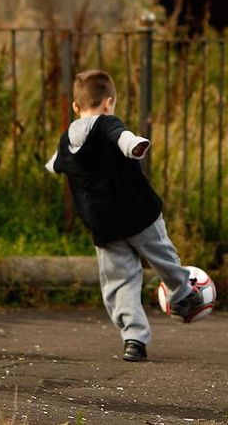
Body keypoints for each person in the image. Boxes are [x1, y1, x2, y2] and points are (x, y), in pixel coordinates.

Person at [45, 69, 205, 362]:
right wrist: (136, 145)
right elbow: (123, 138)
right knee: (163, 257)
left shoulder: (67, 138)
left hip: (103, 224)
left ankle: (134, 340)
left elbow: (57, 163)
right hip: (138, 213)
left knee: (121, 282)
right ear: (108, 103)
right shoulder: (108, 124)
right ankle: (183, 294)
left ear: (76, 107)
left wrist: (55, 165)